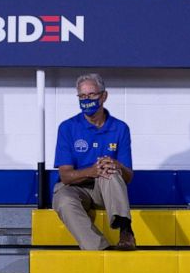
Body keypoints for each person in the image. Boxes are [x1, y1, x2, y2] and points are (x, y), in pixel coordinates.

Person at [52, 73, 135, 250]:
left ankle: (125, 230)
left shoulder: (120, 128)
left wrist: (116, 165)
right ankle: (100, 248)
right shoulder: (67, 127)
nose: (86, 100)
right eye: (82, 96)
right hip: (76, 188)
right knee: (63, 200)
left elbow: (128, 177)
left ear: (104, 96)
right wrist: (92, 170)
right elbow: (66, 176)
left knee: (110, 171)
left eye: (91, 95)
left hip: (105, 191)